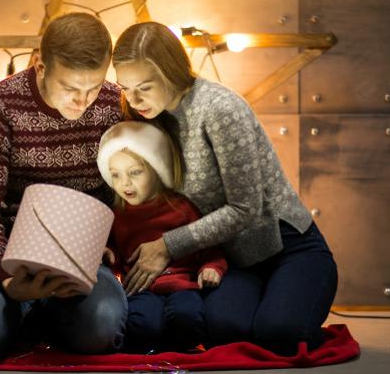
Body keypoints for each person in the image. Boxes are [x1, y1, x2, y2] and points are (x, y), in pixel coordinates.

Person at [110, 21, 338, 356]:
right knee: (222, 332)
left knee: (279, 334)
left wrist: (168, 245)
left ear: (171, 71)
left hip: (288, 246)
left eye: (144, 86)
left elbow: (244, 209)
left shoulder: (219, 109)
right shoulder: (148, 116)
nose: (134, 98)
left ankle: (289, 307)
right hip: (232, 261)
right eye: (125, 87)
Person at [0, 12, 127, 362]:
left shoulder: (113, 104)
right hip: (8, 254)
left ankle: (29, 322)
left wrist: (109, 247)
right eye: (70, 88)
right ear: (40, 66)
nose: (83, 101)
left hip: (81, 258)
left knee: (104, 331)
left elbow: (124, 197)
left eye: (93, 87)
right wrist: (6, 279)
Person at [96, 120, 227, 352]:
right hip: (141, 289)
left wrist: (211, 267)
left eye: (135, 172)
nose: (124, 183)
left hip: (182, 285)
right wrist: (108, 253)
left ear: (157, 170)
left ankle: (179, 351)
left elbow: (209, 246)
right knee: (143, 325)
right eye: (115, 175)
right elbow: (116, 250)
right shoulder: (119, 214)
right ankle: (151, 351)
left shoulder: (182, 208)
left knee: (187, 318)